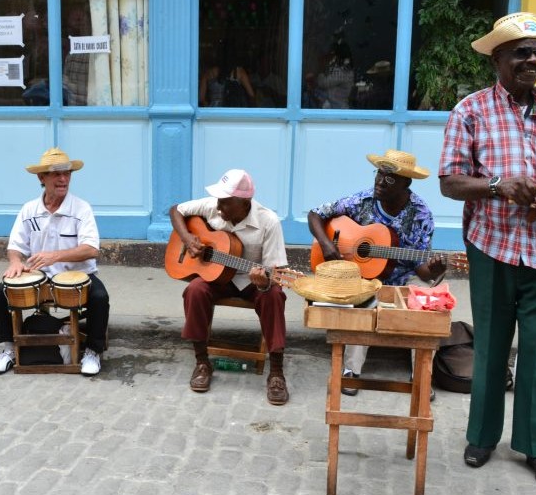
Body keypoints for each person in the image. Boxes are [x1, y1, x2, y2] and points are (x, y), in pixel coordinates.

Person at [439, 12, 536, 491]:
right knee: (489, 345)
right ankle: (482, 437)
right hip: (492, 247)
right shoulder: (471, 111)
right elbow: (449, 182)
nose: (532, 60)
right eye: (521, 52)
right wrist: (501, 185)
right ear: (498, 58)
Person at [308, 150, 445, 397]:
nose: (380, 182)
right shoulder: (362, 200)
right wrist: (327, 245)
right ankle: (351, 371)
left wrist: (435, 269)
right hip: (363, 275)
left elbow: (423, 271)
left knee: (426, 302)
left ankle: (423, 375)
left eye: (389, 179)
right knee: (362, 300)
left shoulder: (420, 215)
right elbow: (315, 214)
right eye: (379, 175)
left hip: (402, 276)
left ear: (406, 183)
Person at [169, 169, 290, 405]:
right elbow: (176, 210)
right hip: (219, 279)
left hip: (252, 282)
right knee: (195, 290)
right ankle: (202, 362)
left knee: (274, 296)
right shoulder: (214, 206)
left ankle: (276, 372)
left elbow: (278, 272)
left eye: (225, 202)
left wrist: (264, 282)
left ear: (244, 203)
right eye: (219, 200)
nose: (219, 206)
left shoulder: (268, 221)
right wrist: (187, 238)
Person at [0, 148, 109, 376]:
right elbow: (15, 246)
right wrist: (15, 261)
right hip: (42, 278)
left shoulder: (81, 208)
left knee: (100, 298)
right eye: (56, 174)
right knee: (1, 290)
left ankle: (93, 351)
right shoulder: (29, 210)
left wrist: (54, 256)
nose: (63, 179)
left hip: (78, 277)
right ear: (41, 178)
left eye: (67, 173)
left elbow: (91, 249)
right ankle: (9, 349)